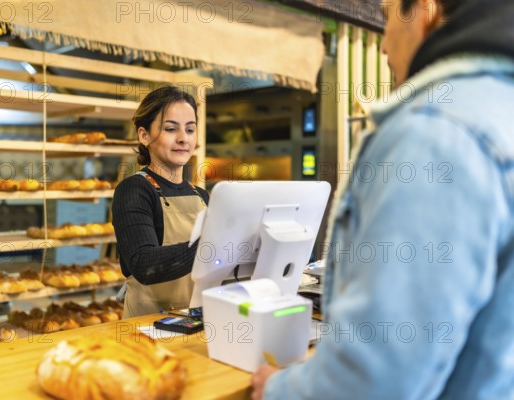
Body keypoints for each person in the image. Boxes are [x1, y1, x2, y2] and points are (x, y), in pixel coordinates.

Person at [252, 0, 514, 398]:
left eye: (388, 13)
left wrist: (282, 389)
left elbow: (375, 381)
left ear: (424, 11)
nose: (384, 45)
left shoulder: (434, 133)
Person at [112, 86, 209, 318]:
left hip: (196, 320)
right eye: (170, 128)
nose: (183, 138)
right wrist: (212, 246)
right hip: (149, 327)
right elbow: (144, 264)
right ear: (144, 135)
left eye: (190, 129)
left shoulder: (201, 196)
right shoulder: (134, 190)